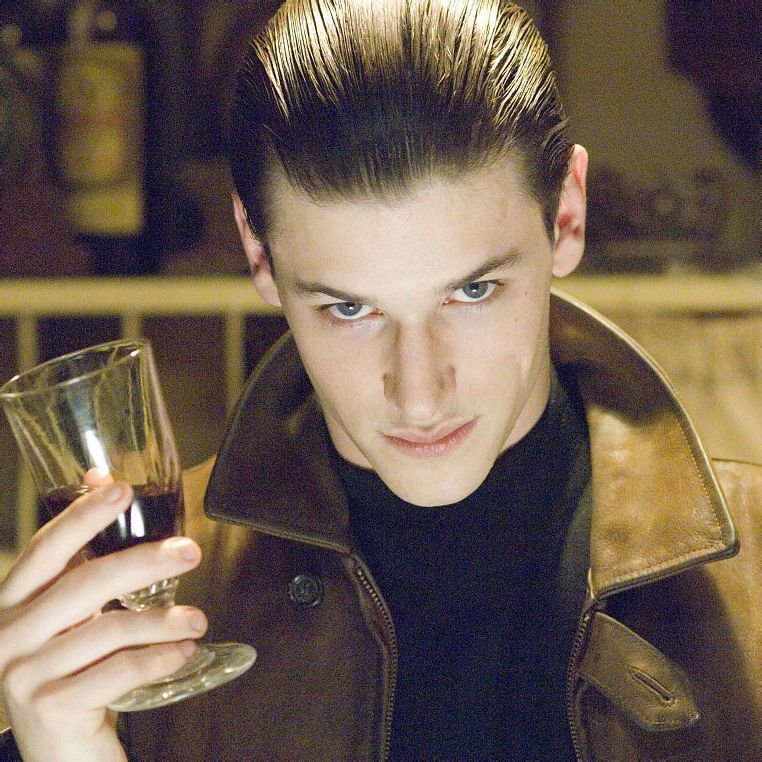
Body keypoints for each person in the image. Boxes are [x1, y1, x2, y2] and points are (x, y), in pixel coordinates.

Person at [1, 1, 761, 759]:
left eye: (472, 292)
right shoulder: (124, 636)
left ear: (565, 214)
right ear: (258, 254)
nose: (419, 395)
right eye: (350, 308)